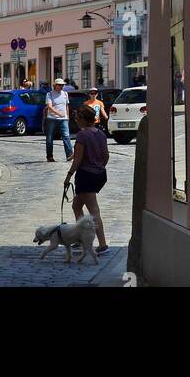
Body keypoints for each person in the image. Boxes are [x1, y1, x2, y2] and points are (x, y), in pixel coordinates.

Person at [65, 104, 109, 253]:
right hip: (100, 174)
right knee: (76, 206)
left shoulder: (82, 135)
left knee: (94, 210)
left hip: (86, 176)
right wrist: (98, 166)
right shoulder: (100, 133)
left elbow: (77, 160)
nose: (76, 120)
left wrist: (68, 176)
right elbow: (106, 156)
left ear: (83, 119)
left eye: (77, 118)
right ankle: (80, 237)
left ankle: (103, 244)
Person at [43, 77, 74, 162]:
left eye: (62, 85)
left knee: (66, 136)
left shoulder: (65, 94)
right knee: (49, 138)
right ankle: (49, 156)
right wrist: (58, 113)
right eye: (60, 85)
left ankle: (69, 155)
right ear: (55, 85)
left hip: (63, 119)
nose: (61, 86)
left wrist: (67, 116)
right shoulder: (50, 94)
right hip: (52, 118)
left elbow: (66, 105)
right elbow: (49, 106)